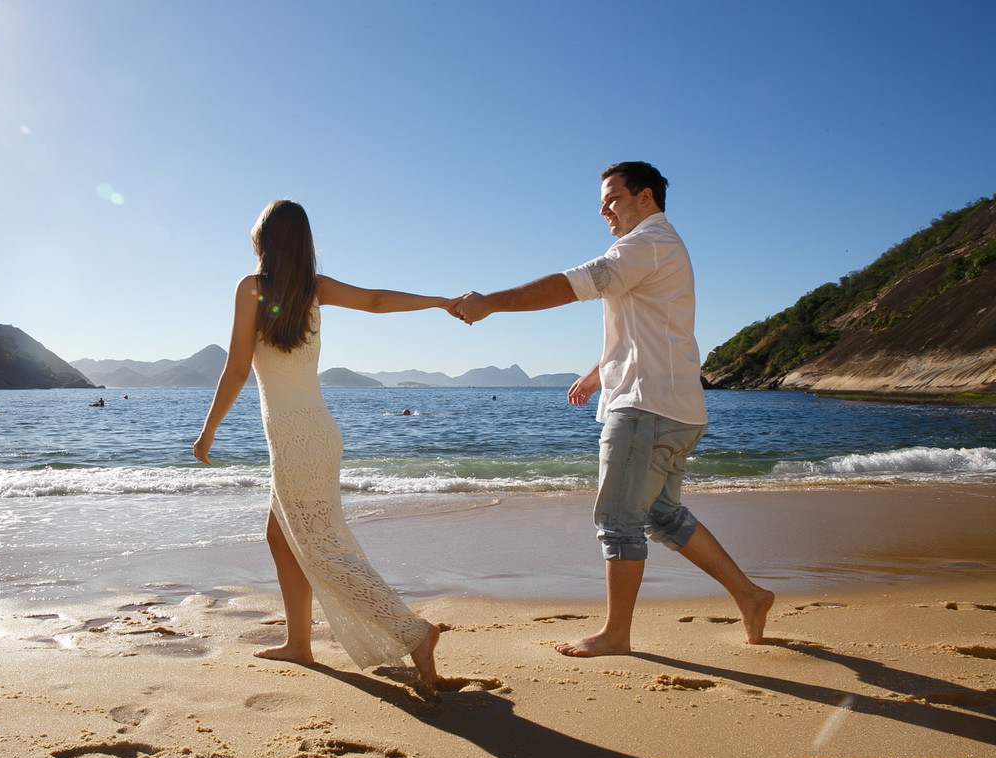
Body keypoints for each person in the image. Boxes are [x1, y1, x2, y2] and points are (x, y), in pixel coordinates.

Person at [452, 162, 773, 657]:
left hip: (646, 407)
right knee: (663, 516)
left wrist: (491, 302)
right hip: (678, 407)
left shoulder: (646, 242)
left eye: (613, 199)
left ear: (645, 197)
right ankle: (751, 596)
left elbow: (570, 284)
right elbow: (645, 329)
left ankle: (615, 635)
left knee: (618, 520)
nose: (604, 210)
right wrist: (598, 371)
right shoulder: (659, 246)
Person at [194, 199, 452, 691]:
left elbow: (236, 367)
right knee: (282, 537)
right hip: (316, 436)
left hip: (296, 443)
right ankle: (299, 643)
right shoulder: (313, 289)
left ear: (265, 237)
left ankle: (414, 633)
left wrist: (209, 429)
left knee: (324, 551)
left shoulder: (252, 288)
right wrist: (437, 301)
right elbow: (376, 300)